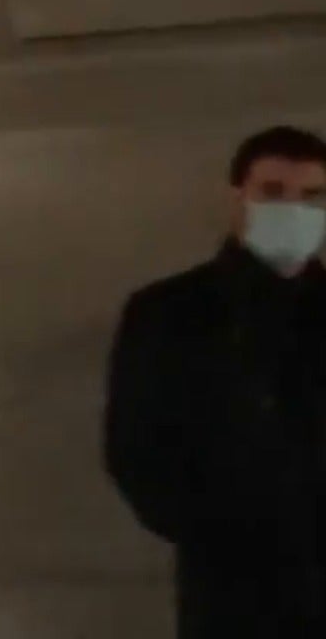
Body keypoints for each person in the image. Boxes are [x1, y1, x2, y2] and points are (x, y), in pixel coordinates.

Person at [105, 125, 326, 638]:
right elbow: (135, 447)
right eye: (273, 192)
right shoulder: (168, 311)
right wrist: (218, 535)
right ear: (238, 198)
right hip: (229, 592)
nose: (294, 210)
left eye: (313, 196)